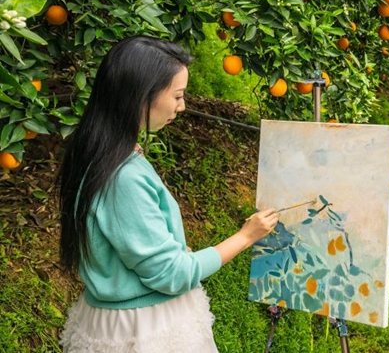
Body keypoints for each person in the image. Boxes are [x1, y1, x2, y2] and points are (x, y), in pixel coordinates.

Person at [58, 36, 279, 352]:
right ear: (141, 95)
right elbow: (172, 274)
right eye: (177, 95)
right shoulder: (123, 176)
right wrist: (246, 236)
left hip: (114, 319)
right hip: (145, 329)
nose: (182, 106)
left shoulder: (96, 151)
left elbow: (126, 238)